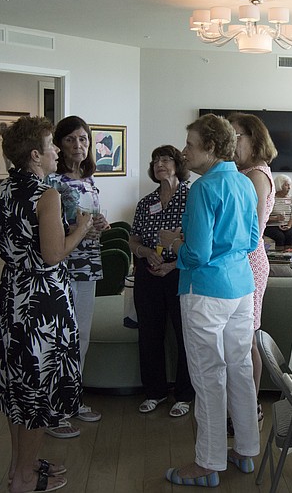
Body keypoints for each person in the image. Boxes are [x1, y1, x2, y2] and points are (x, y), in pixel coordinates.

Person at [0, 115, 93, 493]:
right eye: (50, 146)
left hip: (11, 293)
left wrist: (18, 248)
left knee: (18, 387)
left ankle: (20, 467)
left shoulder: (0, 191)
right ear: (35, 155)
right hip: (42, 301)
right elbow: (52, 254)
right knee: (37, 389)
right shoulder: (45, 195)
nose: (55, 152)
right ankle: (26, 478)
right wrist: (79, 228)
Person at [159, 113, 259, 487]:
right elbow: (251, 242)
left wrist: (174, 245)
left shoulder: (203, 189)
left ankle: (208, 462)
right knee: (240, 370)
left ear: (212, 148)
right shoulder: (245, 184)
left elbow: (197, 254)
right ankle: (247, 450)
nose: (184, 152)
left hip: (204, 292)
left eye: (189, 145)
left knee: (208, 376)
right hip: (241, 288)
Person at [46, 115, 109, 436]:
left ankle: (72, 398)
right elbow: (51, 229)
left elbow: (90, 221)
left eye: (83, 139)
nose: (78, 145)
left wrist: (100, 225)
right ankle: (54, 410)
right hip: (61, 266)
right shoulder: (51, 183)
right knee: (60, 337)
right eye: (71, 139)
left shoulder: (89, 181)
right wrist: (80, 228)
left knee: (81, 336)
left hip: (87, 265)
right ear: (58, 144)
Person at [129, 145, 195, 417]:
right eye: (155, 160)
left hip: (180, 271)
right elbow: (133, 239)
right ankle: (154, 392)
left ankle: (184, 395)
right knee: (149, 334)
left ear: (178, 164)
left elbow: (197, 242)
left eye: (166, 159)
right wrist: (145, 253)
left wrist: (172, 264)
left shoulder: (192, 198)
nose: (160, 164)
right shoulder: (145, 202)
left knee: (185, 335)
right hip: (149, 273)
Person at [227, 112, 276, 410]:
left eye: (236, 136)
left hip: (248, 261)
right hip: (237, 260)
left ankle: (249, 406)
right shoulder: (240, 172)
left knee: (247, 338)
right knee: (238, 338)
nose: (230, 142)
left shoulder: (257, 174)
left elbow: (252, 231)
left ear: (253, 139)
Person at [264, 174, 292, 250]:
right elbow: (263, 216)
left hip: (287, 225)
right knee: (280, 236)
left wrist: (289, 225)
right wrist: (275, 218)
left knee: (290, 234)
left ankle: (289, 257)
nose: (289, 187)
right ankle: (280, 258)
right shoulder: (270, 198)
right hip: (271, 226)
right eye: (286, 185)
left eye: (289, 185)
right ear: (280, 185)